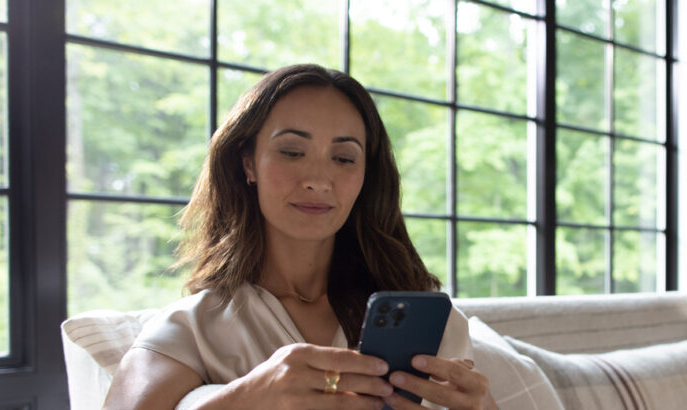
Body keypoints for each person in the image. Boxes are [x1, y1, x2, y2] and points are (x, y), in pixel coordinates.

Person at [103, 64, 496, 410]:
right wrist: (245, 401)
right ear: (248, 163)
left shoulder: (430, 324)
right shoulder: (192, 330)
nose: (317, 181)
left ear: (365, 177)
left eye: (343, 159)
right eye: (292, 151)